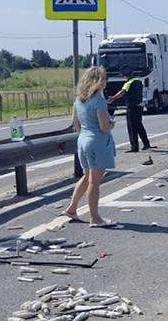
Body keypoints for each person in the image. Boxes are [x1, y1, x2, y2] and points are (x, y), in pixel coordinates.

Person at [63, 66, 117, 227]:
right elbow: (104, 127)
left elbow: (75, 124)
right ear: (99, 81)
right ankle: (95, 218)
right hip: (97, 142)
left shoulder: (79, 99)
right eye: (104, 79)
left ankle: (72, 208)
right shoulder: (99, 100)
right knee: (94, 182)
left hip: (83, 140)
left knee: (86, 177)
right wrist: (111, 124)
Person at [108, 66, 152, 152]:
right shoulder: (139, 82)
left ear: (126, 76)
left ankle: (134, 147)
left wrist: (113, 98)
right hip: (139, 106)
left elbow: (122, 92)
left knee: (131, 127)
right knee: (139, 126)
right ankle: (146, 144)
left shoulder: (128, 83)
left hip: (131, 107)